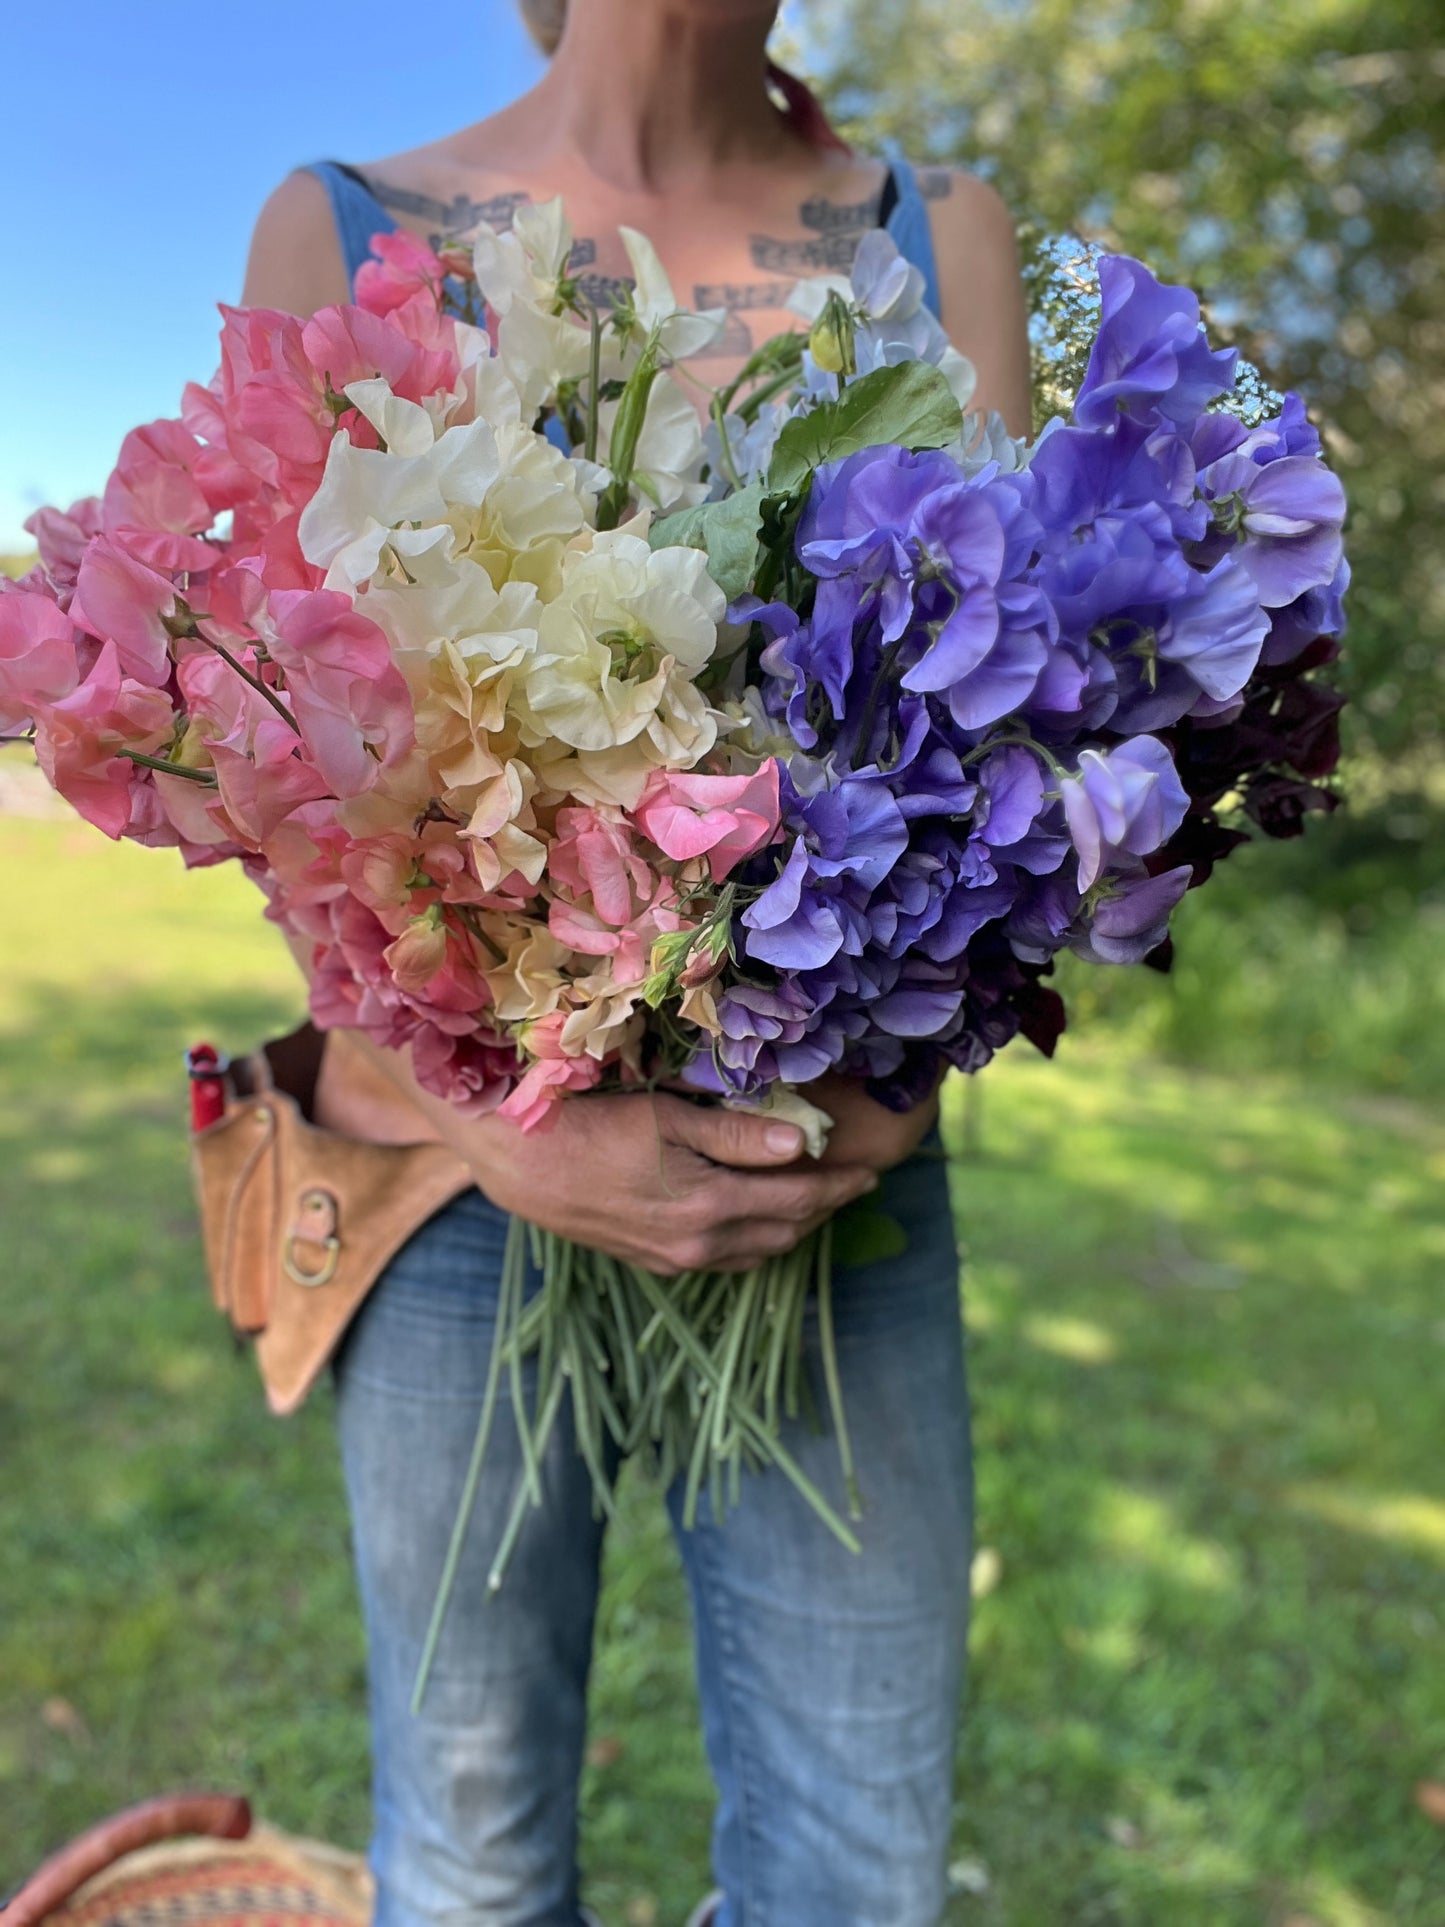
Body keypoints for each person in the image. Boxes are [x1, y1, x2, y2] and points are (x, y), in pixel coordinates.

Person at [241, 2, 1032, 1922]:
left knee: (857, 1867)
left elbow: (1022, 721)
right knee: (472, 1854)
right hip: (445, 1187)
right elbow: (270, 766)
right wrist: (499, 1117)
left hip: (823, 1188)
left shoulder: (945, 230)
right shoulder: (341, 224)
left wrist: (879, 1087)